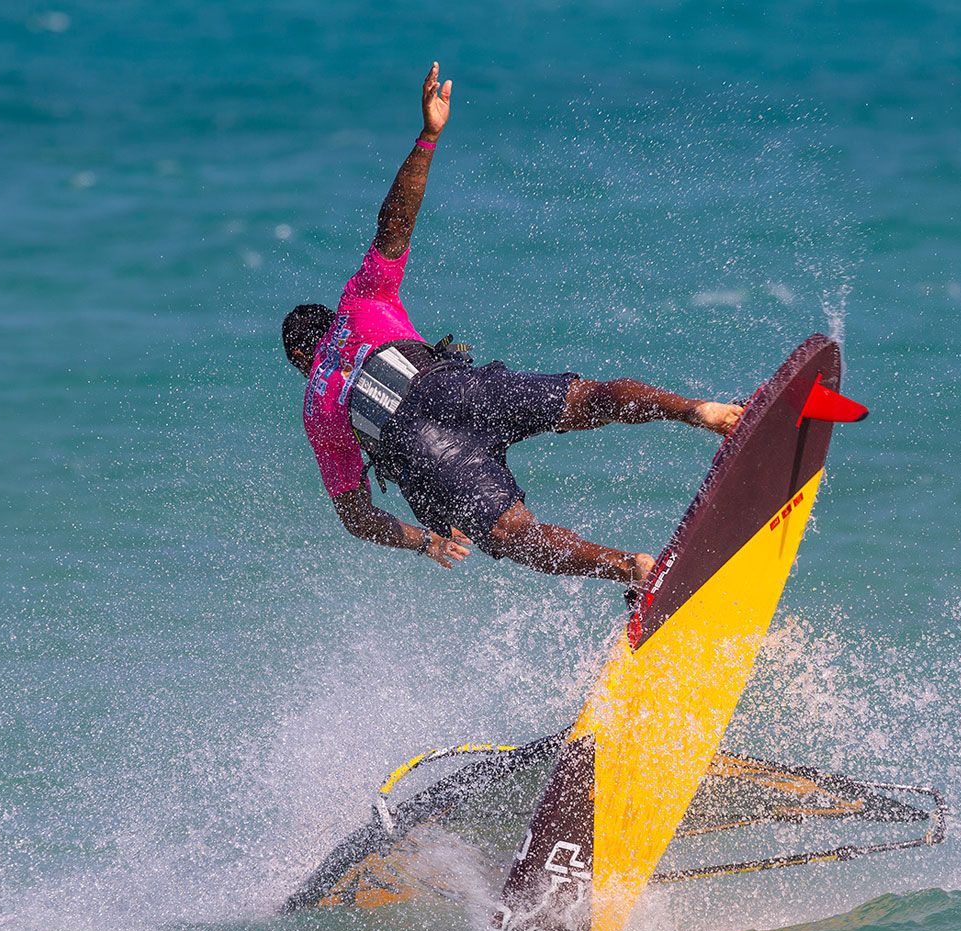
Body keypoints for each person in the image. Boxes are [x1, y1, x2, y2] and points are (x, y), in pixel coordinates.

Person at [281, 63, 742, 587]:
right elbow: (395, 223)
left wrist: (424, 540)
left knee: (513, 534)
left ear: (302, 362)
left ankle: (635, 568)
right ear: (329, 321)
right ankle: (701, 411)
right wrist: (429, 137)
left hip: (420, 448)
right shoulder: (360, 303)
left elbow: (356, 518)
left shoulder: (317, 411)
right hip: (453, 388)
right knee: (586, 400)